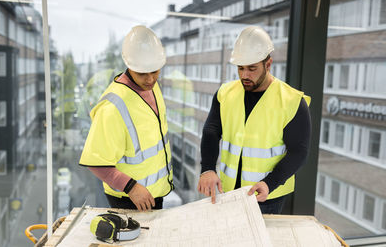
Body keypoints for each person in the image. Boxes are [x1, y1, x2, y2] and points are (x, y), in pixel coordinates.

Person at [197, 26, 311, 214]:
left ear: (268, 65)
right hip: (228, 191)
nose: (244, 75)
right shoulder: (225, 94)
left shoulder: (292, 101)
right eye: (240, 68)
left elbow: (299, 152)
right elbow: (211, 131)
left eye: (252, 69)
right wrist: (207, 168)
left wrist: (270, 183)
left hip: (267, 196)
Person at [79, 25, 173, 211]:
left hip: (155, 193)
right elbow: (96, 162)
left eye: (155, 71)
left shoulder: (152, 88)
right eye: (142, 73)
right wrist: (130, 187)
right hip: (129, 197)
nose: (150, 79)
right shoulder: (112, 107)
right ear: (129, 65)